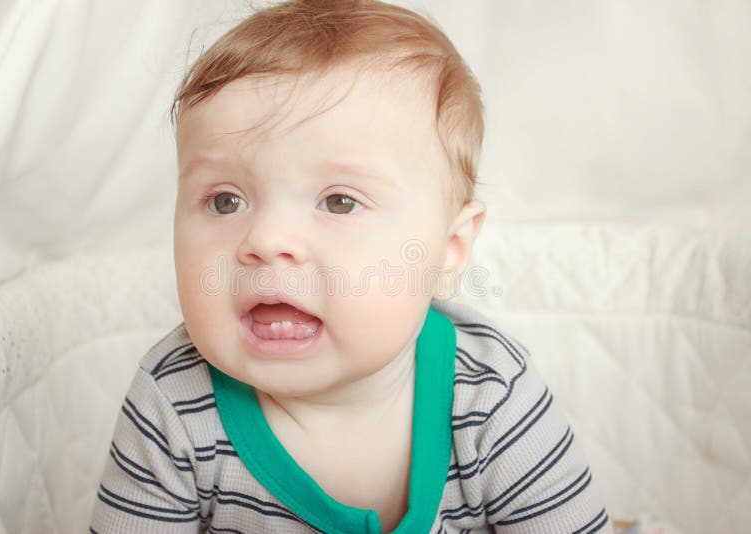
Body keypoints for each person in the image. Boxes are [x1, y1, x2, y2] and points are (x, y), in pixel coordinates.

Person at [90, 1, 612, 532]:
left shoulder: (493, 395)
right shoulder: (174, 405)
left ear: (446, 252)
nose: (266, 241)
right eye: (225, 201)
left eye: (339, 202)